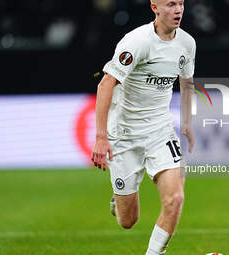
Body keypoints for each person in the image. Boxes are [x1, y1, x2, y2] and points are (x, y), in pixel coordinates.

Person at [91, 0, 196, 254]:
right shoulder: (137, 42)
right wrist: (101, 137)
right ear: (155, 8)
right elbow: (106, 84)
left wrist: (187, 123)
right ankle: (120, 199)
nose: (178, 10)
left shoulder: (187, 43)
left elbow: (187, 81)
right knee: (128, 221)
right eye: (171, 4)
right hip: (124, 136)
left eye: (181, 3)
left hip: (160, 132)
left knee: (176, 199)